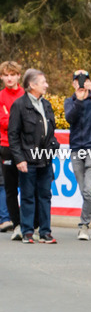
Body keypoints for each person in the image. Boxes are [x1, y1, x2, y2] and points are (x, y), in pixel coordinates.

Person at [8, 68, 58, 243]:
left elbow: (51, 132)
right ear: (32, 85)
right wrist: (19, 159)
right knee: (28, 196)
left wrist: (54, 147)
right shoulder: (19, 105)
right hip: (27, 160)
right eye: (43, 82)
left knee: (45, 195)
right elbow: (13, 135)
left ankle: (45, 231)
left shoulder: (46, 104)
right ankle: (27, 231)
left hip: (44, 159)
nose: (46, 85)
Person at [64, 70, 91, 240]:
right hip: (76, 149)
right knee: (85, 191)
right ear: (73, 83)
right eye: (78, 81)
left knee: (88, 189)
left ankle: (83, 226)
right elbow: (70, 118)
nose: (81, 84)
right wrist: (79, 101)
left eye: (84, 80)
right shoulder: (70, 101)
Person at [0, 60, 25, 238]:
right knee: (10, 188)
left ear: (18, 76)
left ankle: (28, 223)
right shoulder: (1, 97)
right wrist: (18, 121)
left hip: (26, 147)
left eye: (12, 74)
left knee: (28, 187)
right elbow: (3, 122)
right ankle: (16, 224)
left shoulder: (25, 95)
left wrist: (13, 120)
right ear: (2, 77)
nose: (9, 78)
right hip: (6, 147)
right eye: (6, 75)